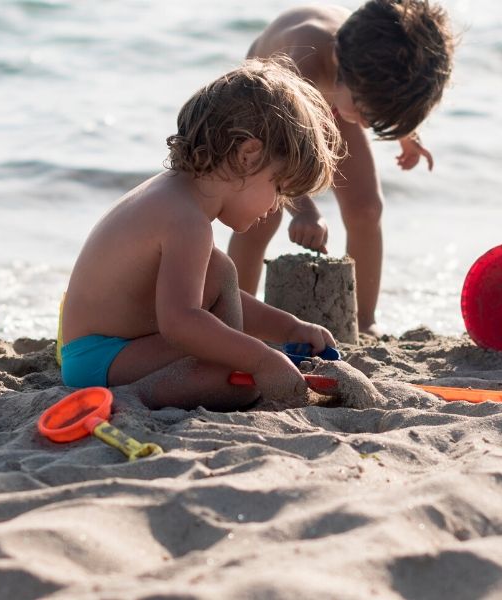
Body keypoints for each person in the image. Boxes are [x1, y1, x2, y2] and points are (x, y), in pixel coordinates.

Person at [57, 59, 344, 410]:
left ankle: (218, 366)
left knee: (221, 272)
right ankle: (129, 400)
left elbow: (215, 297)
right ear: (248, 156)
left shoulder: (174, 196)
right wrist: (260, 360)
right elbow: (180, 323)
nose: (275, 206)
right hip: (102, 357)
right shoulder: (186, 221)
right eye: (279, 187)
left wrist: (289, 328)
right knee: (237, 382)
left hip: (102, 347)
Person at [228, 0, 455, 335]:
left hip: (338, 95)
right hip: (266, 99)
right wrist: (303, 209)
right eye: (367, 112)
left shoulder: (368, 74)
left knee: (366, 208)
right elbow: (277, 155)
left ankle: (362, 321)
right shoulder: (302, 60)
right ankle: (234, 313)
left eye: (376, 120)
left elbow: (381, 96)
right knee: (264, 212)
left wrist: (405, 132)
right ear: (338, 62)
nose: (365, 122)